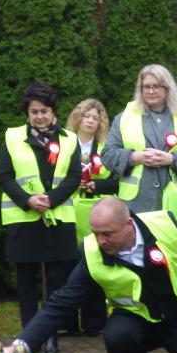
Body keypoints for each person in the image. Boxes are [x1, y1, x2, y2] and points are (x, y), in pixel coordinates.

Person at [13, 198, 177, 353]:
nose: (101, 241)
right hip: (135, 317)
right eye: (96, 233)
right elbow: (61, 303)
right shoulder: (91, 253)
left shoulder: (165, 225)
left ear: (129, 225)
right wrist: (21, 345)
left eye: (107, 234)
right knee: (117, 339)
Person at [0, 81, 82, 353]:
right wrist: (27, 200)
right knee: (26, 282)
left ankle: (51, 337)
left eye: (44, 111)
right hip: (24, 219)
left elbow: (73, 177)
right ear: (27, 112)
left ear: (53, 111)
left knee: (57, 282)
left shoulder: (69, 140)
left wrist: (51, 199)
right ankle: (28, 339)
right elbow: (5, 177)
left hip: (58, 219)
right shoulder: (12, 137)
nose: (39, 116)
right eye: (34, 112)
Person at [102, 64, 177, 221]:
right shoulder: (124, 118)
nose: (151, 91)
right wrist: (134, 157)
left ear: (168, 88)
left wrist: (172, 159)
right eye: (146, 87)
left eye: (156, 86)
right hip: (136, 205)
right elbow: (107, 155)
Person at [67, 98, 118, 336]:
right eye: (86, 116)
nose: (90, 121)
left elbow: (114, 181)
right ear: (78, 118)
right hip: (69, 211)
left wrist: (93, 186)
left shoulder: (106, 147)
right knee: (69, 266)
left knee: (95, 266)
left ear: (101, 123)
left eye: (95, 118)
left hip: (96, 213)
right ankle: (69, 323)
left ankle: (94, 323)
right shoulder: (64, 143)